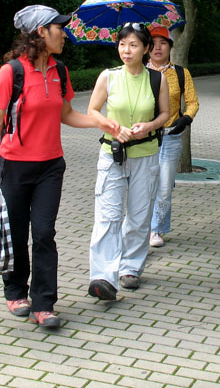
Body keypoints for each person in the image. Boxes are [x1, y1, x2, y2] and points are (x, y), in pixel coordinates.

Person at [0, 5, 119, 328]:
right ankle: (15, 291)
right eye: (59, 28)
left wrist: (102, 124)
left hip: (51, 167)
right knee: (15, 233)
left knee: (43, 233)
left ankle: (44, 304)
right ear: (41, 31)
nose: (64, 34)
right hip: (14, 166)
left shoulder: (60, 70)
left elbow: (67, 114)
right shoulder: (11, 72)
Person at [86, 23, 170, 299]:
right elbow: (92, 111)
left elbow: (165, 115)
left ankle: (130, 267)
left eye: (133, 45)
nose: (126, 50)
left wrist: (148, 126)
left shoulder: (157, 79)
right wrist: (112, 127)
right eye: (123, 44)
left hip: (145, 155)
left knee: (138, 216)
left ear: (146, 49)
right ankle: (102, 276)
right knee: (108, 217)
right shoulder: (108, 77)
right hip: (112, 155)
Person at [146, 27, 200, 248]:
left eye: (163, 43)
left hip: (170, 137)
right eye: (153, 43)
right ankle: (141, 227)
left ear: (170, 46)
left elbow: (193, 102)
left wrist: (186, 119)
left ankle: (156, 229)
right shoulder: (138, 72)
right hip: (144, 138)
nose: (158, 48)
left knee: (165, 186)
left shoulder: (180, 73)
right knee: (144, 185)